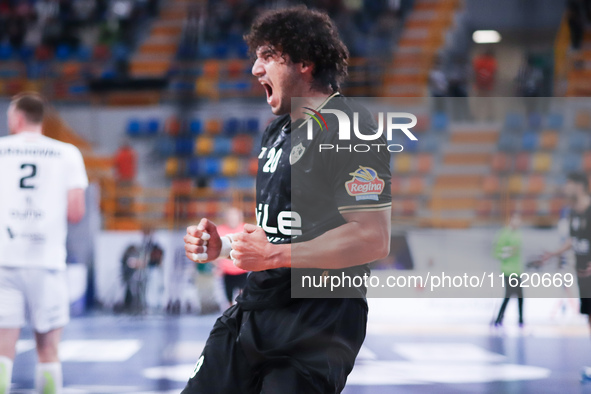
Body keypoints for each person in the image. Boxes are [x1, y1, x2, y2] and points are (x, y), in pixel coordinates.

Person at [182, 6, 391, 393]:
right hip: (258, 307)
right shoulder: (278, 129)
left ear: (305, 62)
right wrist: (225, 246)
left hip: (318, 321)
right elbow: (278, 229)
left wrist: (274, 256)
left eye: (266, 56)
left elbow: (372, 238)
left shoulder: (350, 129)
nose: (255, 69)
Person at [0, 93, 88, 394]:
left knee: (1, 350)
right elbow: (76, 212)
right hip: (46, 260)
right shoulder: (67, 153)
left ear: (17, 118)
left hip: (4, 259)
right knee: (48, 350)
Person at [540, 172, 591, 382]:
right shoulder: (572, 212)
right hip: (583, 276)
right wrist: (554, 253)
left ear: (579, 186)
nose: (566, 188)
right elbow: (574, 239)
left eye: (569, 184)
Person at [493, 213, 524, 327]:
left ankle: (520, 319)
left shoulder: (518, 234)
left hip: (517, 271)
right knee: (509, 295)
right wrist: (509, 251)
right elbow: (497, 253)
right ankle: (499, 318)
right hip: (507, 271)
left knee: (520, 296)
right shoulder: (503, 234)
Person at [215, 207, 248, 308]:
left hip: (242, 271)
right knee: (228, 300)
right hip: (226, 272)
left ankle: (242, 319)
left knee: (244, 299)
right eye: (230, 216)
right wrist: (217, 266)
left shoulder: (245, 229)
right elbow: (215, 250)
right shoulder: (220, 230)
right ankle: (230, 319)